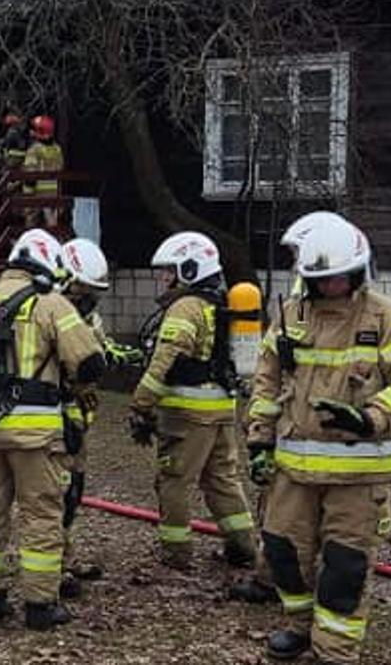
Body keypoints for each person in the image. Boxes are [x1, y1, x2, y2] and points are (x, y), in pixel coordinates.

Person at [247, 217, 391, 664]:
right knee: (283, 552)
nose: (329, 286)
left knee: (344, 566)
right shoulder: (291, 314)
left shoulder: (388, 318)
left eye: (337, 277)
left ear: (358, 272)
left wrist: (368, 418)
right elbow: (267, 378)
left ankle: (335, 649)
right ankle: (298, 627)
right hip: (293, 469)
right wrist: (259, 441)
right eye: (319, 279)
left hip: (359, 475)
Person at [0, 229, 106, 632]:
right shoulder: (51, 304)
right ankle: (40, 605)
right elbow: (90, 364)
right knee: (41, 516)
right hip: (36, 436)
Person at [127, 232, 270, 605]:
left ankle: (176, 553)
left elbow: (166, 359)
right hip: (222, 408)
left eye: (169, 272)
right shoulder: (220, 303)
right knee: (221, 478)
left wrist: (141, 402)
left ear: (189, 270)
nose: (164, 279)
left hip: (187, 414)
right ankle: (243, 546)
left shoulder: (186, 308)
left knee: (174, 480)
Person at [49, 237, 139, 600]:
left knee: (73, 494)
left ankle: (65, 559)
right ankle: (51, 568)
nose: (90, 299)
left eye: (94, 292)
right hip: (54, 419)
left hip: (79, 417)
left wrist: (116, 355)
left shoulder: (86, 315)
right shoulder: (49, 312)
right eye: (84, 290)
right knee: (55, 496)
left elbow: (97, 345)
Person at [20, 115, 64, 228]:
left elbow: (30, 174)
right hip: (54, 193)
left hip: (35, 194)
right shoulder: (57, 149)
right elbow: (61, 167)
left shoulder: (34, 150)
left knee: (32, 228)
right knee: (52, 227)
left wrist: (28, 195)